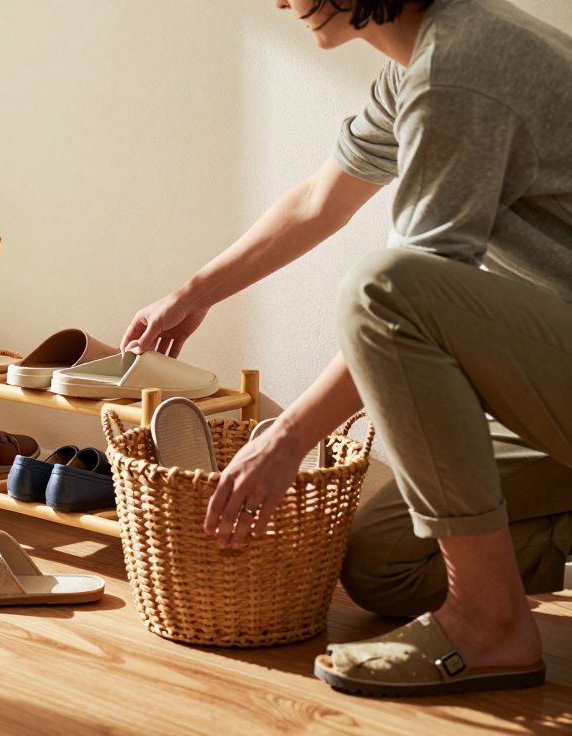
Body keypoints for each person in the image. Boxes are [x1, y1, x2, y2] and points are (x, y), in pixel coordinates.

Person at [122, 0, 572, 696]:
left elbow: (400, 305)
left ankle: (490, 626)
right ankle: (488, 598)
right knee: (385, 558)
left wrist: (287, 438)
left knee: (382, 288)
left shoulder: (460, 69)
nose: (278, 1)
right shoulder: (422, 61)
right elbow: (318, 202)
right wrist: (194, 291)